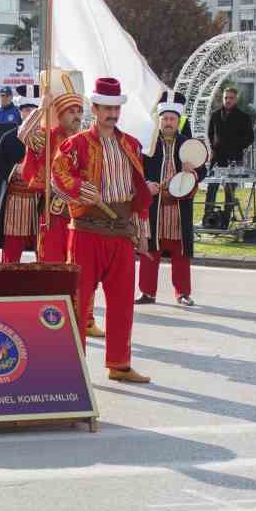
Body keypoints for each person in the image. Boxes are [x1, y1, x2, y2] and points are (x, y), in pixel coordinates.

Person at [51, 76, 151, 383]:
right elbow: (57, 176)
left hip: (121, 230)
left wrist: (142, 231)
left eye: (116, 108)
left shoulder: (131, 144)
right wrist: (81, 188)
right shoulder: (76, 144)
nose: (112, 114)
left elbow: (138, 193)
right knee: (79, 301)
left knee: (122, 301)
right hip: (86, 230)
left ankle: (119, 364)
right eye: (106, 108)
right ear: (94, 108)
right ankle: (72, 367)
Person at [140, 88, 198, 306]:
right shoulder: (148, 144)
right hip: (154, 205)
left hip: (178, 207)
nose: (168, 122)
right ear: (160, 119)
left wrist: (192, 171)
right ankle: (147, 292)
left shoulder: (187, 143)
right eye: (165, 118)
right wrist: (146, 184)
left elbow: (201, 169)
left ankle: (182, 293)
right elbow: (137, 169)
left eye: (172, 118)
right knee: (150, 249)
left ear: (178, 120)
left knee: (180, 251)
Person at [18, 83, 83, 264]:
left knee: (79, 270)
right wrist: (41, 108)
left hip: (83, 216)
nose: (77, 116)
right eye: (71, 112)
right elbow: (24, 134)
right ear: (60, 115)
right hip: (53, 213)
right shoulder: (49, 137)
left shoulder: (88, 140)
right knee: (53, 267)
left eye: (79, 111)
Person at [0, 86, 40, 263]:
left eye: (34, 111)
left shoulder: (48, 137)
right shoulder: (9, 137)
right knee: (12, 247)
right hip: (15, 199)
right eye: (26, 110)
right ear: (20, 112)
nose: (29, 114)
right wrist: (15, 172)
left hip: (39, 199)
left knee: (43, 245)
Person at [204, 87, 253, 222]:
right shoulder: (215, 115)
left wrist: (237, 147)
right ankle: (207, 217)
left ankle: (226, 218)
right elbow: (210, 134)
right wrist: (214, 147)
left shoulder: (244, 117)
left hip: (234, 158)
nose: (228, 100)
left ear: (236, 99)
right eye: (226, 98)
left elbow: (250, 138)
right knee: (212, 188)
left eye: (231, 98)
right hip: (217, 158)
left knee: (230, 190)